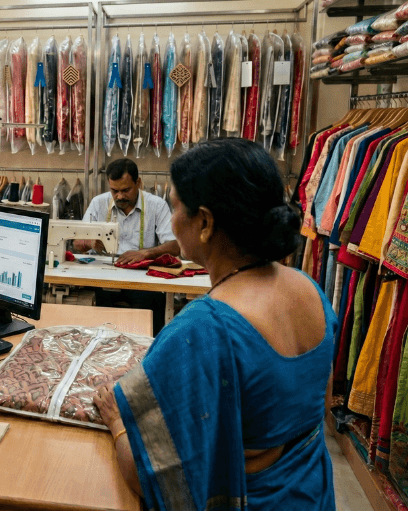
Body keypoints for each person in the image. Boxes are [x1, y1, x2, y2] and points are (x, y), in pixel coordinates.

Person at [94, 139, 338, 510]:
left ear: (205, 222)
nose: (172, 220)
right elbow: (317, 405)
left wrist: (116, 423)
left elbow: (152, 479)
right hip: (312, 496)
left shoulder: (204, 331)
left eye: (175, 206)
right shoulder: (309, 291)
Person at [75, 158, 180, 332]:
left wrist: (146, 253)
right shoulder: (99, 203)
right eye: (114, 191)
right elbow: (77, 243)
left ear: (138, 182)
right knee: (94, 316)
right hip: (104, 279)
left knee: (150, 316)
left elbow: (175, 245)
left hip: (142, 282)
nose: (119, 196)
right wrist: (90, 241)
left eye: (125, 190)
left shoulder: (156, 205)